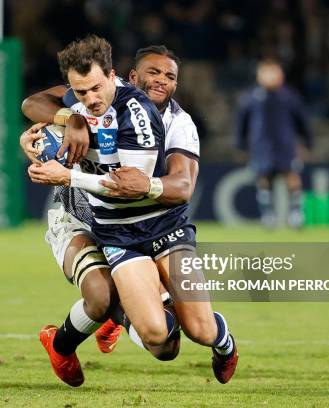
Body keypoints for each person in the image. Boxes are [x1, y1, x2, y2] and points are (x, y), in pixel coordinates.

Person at [22, 35, 237, 387]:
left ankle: (217, 339)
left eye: (170, 77)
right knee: (113, 305)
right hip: (95, 220)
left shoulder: (170, 123)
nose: (161, 81)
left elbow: (160, 188)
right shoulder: (90, 97)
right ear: (129, 77)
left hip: (153, 223)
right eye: (153, 72)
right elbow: (34, 104)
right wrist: (66, 123)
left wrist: (68, 172)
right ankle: (71, 339)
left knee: (195, 333)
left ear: (112, 78)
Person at [235, 58, 312, 228]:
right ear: (259, 75)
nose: (270, 76)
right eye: (266, 72)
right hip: (261, 145)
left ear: (281, 75)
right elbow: (242, 122)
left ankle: (296, 213)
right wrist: (240, 143)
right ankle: (268, 214)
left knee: (291, 176)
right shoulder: (251, 98)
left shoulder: (289, 97)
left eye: (274, 72)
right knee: (264, 178)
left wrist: (307, 141)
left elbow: (302, 121)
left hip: (285, 145)